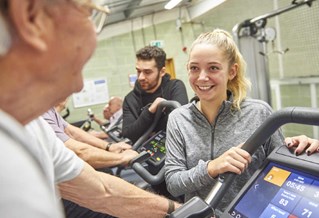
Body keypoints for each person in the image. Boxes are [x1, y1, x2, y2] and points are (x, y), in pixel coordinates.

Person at [0, 0, 180, 217]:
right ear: (31, 15)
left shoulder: (33, 125)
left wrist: (179, 211)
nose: (79, 86)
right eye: (90, 12)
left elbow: (102, 191)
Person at [164, 29, 319, 217]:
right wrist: (212, 167)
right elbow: (173, 183)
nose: (202, 77)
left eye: (213, 68)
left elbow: (283, 168)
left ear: (232, 71)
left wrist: (300, 151)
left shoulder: (259, 113)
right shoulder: (178, 119)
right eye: (194, 68)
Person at [122, 45, 189, 144]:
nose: (140, 77)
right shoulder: (130, 99)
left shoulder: (174, 87)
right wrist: (149, 111)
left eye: (147, 72)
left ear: (162, 72)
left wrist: (142, 127)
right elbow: (128, 135)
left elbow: (180, 124)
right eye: (138, 71)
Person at [42, 107, 137, 170]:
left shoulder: (48, 108)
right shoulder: (39, 114)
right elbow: (80, 153)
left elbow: (70, 131)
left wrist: (109, 146)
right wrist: (121, 158)